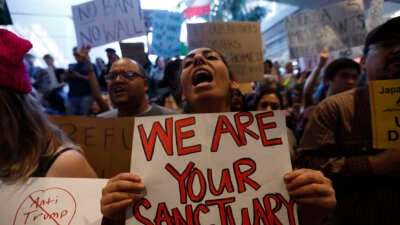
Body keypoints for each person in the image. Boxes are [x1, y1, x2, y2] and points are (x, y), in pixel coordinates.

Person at [100, 47, 336, 225]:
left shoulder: (274, 138)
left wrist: (314, 206)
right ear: (182, 89)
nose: (199, 60)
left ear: (234, 83)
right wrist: (114, 215)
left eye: (210, 57)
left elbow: (287, 212)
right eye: (189, 62)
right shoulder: (153, 146)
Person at [296, 17, 400, 225]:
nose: (398, 49)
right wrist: (373, 165)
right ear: (364, 61)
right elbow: (306, 167)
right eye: (388, 44)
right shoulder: (335, 109)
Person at [0, 29, 97, 181]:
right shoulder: (63, 67)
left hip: (84, 97)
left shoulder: (64, 164)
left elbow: (93, 83)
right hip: (73, 96)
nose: (75, 55)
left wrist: (86, 66)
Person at [97, 58, 174, 118]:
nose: (117, 80)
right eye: (112, 76)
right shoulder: (100, 125)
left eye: (129, 74)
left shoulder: (171, 121)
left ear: (145, 84)